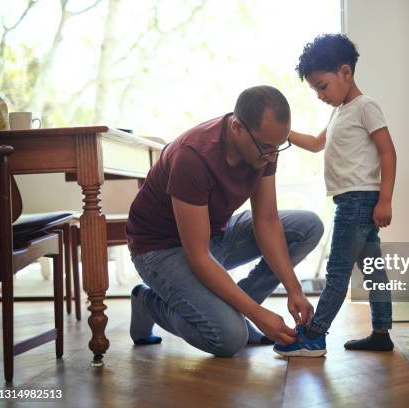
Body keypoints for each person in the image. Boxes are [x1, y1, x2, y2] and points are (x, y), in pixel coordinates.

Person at [126, 85, 324, 357]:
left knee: (309, 226)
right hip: (161, 249)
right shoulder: (192, 157)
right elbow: (198, 255)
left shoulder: (265, 148)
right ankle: (148, 301)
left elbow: (266, 221)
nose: (271, 155)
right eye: (266, 147)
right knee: (229, 337)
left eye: (278, 147)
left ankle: (236, 307)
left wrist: (294, 290)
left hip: (215, 233)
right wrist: (257, 315)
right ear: (237, 127)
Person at [274, 34, 397, 357]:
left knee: (337, 271)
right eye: (314, 89)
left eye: (322, 86)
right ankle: (381, 332)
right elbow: (317, 144)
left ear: (345, 72)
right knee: (373, 269)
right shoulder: (339, 112)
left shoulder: (365, 107)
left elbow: (388, 152)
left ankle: (314, 336)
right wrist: (281, 133)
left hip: (358, 200)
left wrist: (385, 200)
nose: (319, 95)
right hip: (355, 201)